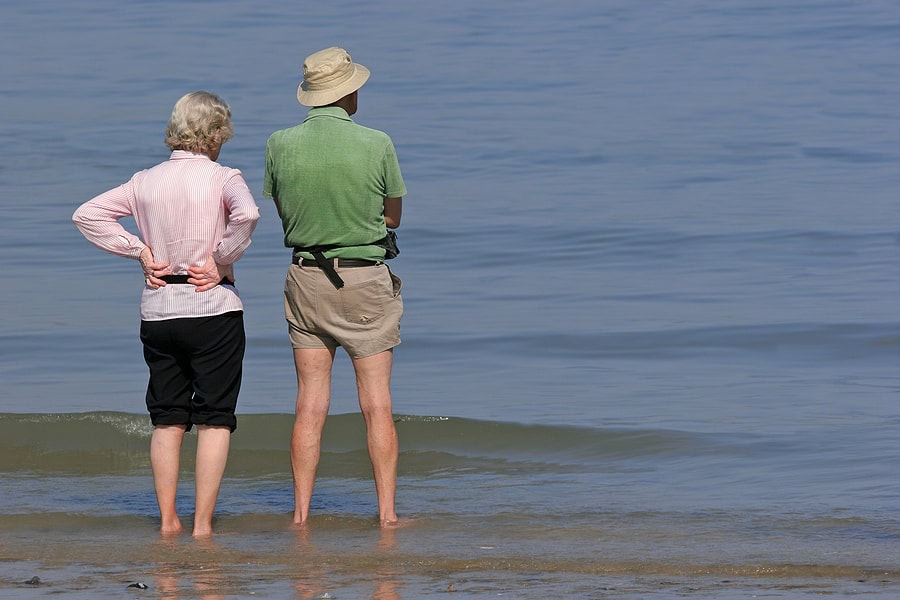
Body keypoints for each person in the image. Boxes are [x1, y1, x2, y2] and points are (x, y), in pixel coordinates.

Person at [72, 91, 260, 537]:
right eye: (222, 133)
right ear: (214, 133)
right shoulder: (223, 176)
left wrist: (139, 251)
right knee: (215, 419)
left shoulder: (143, 181)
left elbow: (87, 215)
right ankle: (202, 526)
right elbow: (248, 214)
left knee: (168, 418)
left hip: (159, 312)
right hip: (213, 308)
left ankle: (168, 522)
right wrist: (221, 257)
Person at [263, 47, 407, 528]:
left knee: (310, 400)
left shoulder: (279, 143)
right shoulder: (377, 142)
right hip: (364, 278)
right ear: (349, 90)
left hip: (305, 277)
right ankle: (386, 515)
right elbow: (392, 217)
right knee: (376, 402)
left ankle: (301, 514)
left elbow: (286, 213)